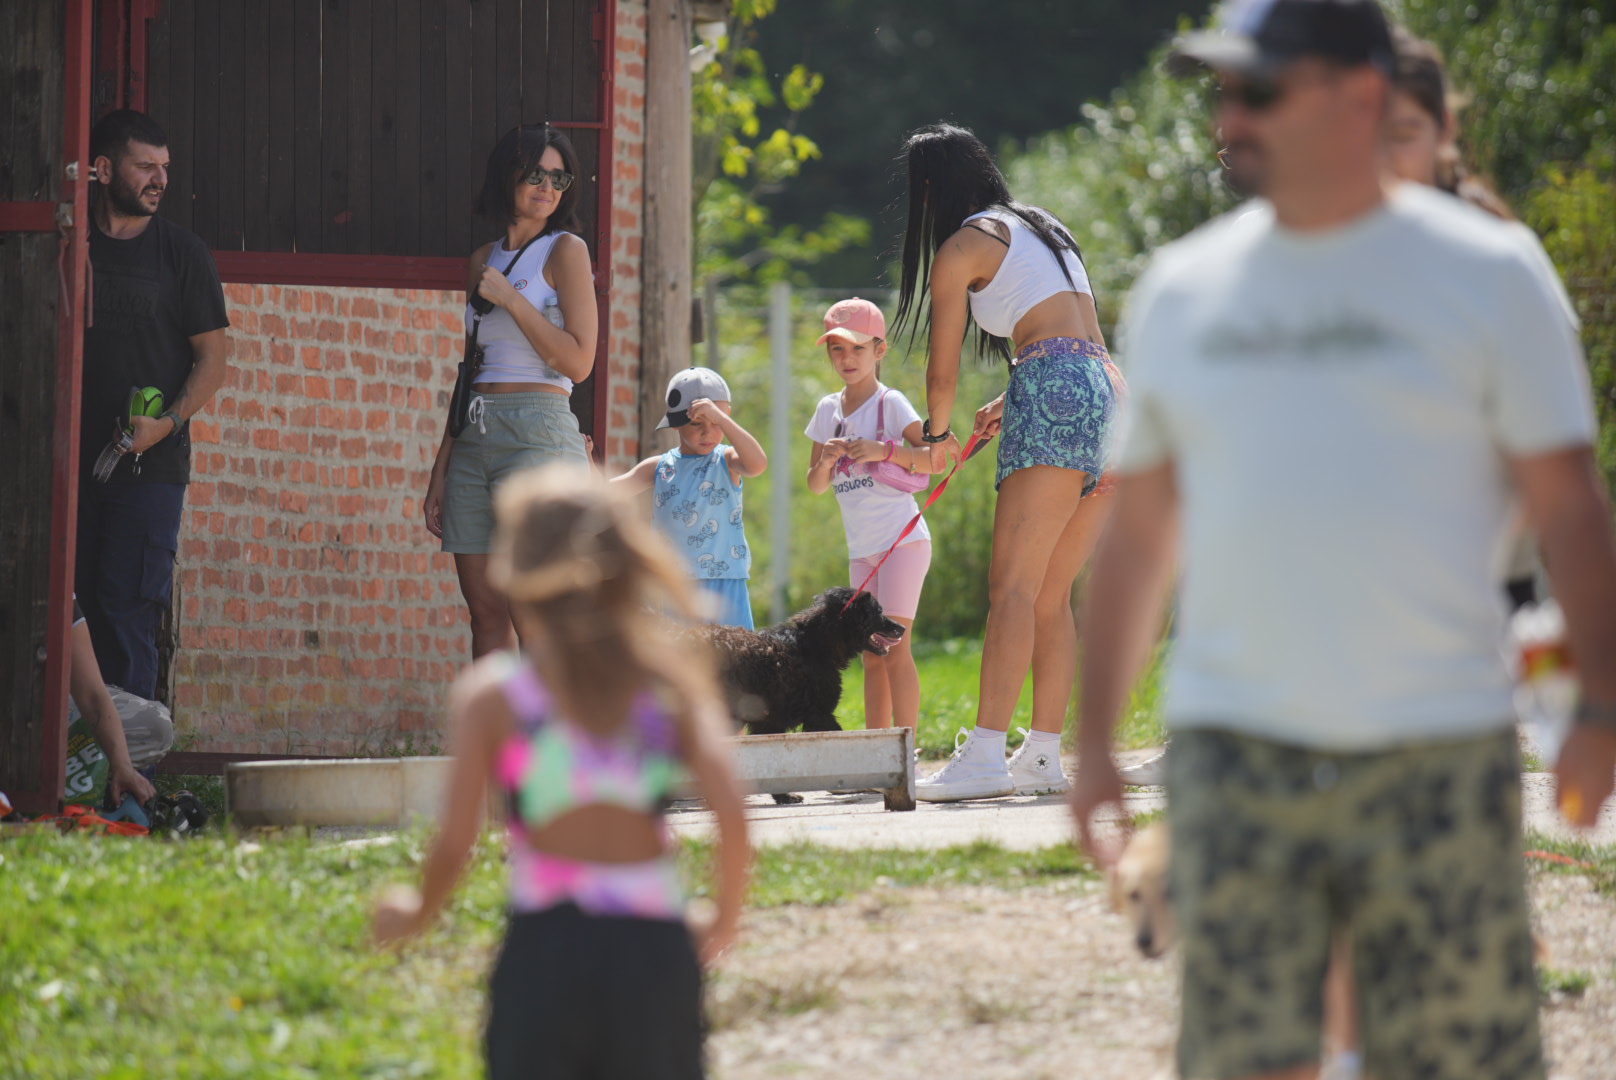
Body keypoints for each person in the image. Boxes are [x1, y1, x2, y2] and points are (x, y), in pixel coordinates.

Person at [1071, 4, 1616, 1080]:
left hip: (1436, 745)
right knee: (1247, 1060)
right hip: (1234, 749)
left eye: (1259, 90)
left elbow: (1567, 509)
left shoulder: (1490, 275)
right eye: (1222, 89)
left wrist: (1596, 706)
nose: (1230, 116)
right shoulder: (1184, 292)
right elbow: (1137, 536)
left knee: (1451, 1061)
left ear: (1359, 97)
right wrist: (1090, 743)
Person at [372, 466, 750, 1080]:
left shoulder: (496, 696)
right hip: (654, 948)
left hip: (546, 953)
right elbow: (732, 813)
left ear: (516, 571)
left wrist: (417, 911)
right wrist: (724, 918)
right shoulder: (664, 684)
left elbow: (456, 841)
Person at [892, 122, 1125, 801]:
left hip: (1052, 386)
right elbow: (1080, 338)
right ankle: (1044, 756)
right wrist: (1015, 388)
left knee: (1014, 590)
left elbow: (940, 373)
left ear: (928, 190)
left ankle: (987, 754)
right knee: (1052, 595)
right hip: (1111, 391)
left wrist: (935, 440)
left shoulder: (965, 244)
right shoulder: (1042, 227)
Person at [424, 123, 596, 658]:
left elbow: (579, 361)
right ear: (509, 177)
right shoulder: (482, 259)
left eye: (559, 177)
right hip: (475, 433)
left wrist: (513, 301)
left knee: (535, 614)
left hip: (538, 429)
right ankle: (494, 741)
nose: (547, 187)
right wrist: (441, 467)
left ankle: (549, 741)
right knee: (486, 613)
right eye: (535, 174)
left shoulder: (565, 250)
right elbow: (469, 367)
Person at [77, 109, 230, 701]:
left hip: (147, 471)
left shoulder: (183, 254)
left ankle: (130, 783)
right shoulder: (68, 241)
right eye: (145, 166)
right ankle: (65, 778)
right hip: (63, 468)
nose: (159, 179)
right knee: (67, 615)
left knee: (126, 617)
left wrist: (164, 425)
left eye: (165, 168)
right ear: (104, 168)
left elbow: (212, 364)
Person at [804, 297, 938, 736]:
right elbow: (816, 485)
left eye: (858, 348)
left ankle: (906, 756)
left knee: (895, 649)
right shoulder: (827, 410)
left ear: (879, 351)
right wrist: (824, 461)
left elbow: (934, 460)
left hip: (902, 541)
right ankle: (877, 754)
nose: (847, 358)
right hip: (862, 550)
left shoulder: (891, 402)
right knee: (871, 654)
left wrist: (885, 451)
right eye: (837, 349)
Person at [614, 368, 768, 629]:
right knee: (680, 662)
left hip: (725, 579)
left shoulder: (726, 459)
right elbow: (607, 492)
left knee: (737, 663)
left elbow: (757, 465)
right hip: (674, 585)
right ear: (676, 423)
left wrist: (720, 417)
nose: (708, 433)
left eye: (716, 423)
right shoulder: (659, 466)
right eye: (697, 423)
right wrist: (582, 459)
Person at [67, 595, 172, 808]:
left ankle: (84, 786)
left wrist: (121, 765)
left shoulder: (54, 585)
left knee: (155, 727)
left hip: (42, 714)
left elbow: (91, 694)